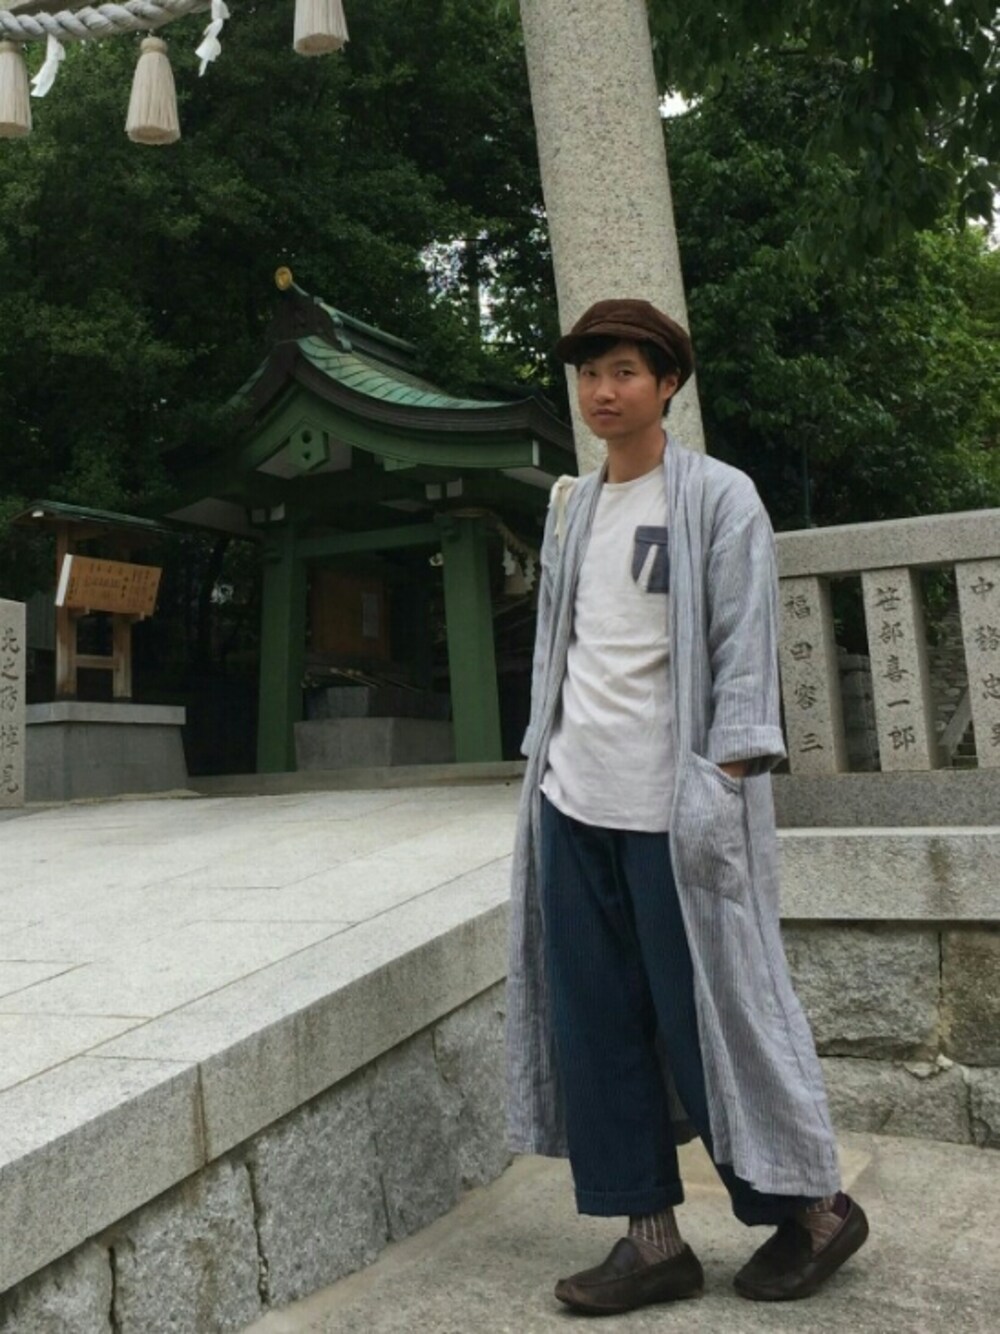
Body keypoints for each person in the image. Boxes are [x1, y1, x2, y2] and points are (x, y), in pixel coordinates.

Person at [506, 298, 868, 1313]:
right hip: (574, 801)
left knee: (711, 1016)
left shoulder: (718, 497)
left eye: (624, 371)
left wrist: (726, 785)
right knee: (597, 1022)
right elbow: (559, 651)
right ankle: (652, 1238)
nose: (602, 391)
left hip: (677, 811)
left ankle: (816, 1210)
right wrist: (540, 768)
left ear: (667, 384)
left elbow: (744, 655)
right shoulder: (572, 507)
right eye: (590, 373)